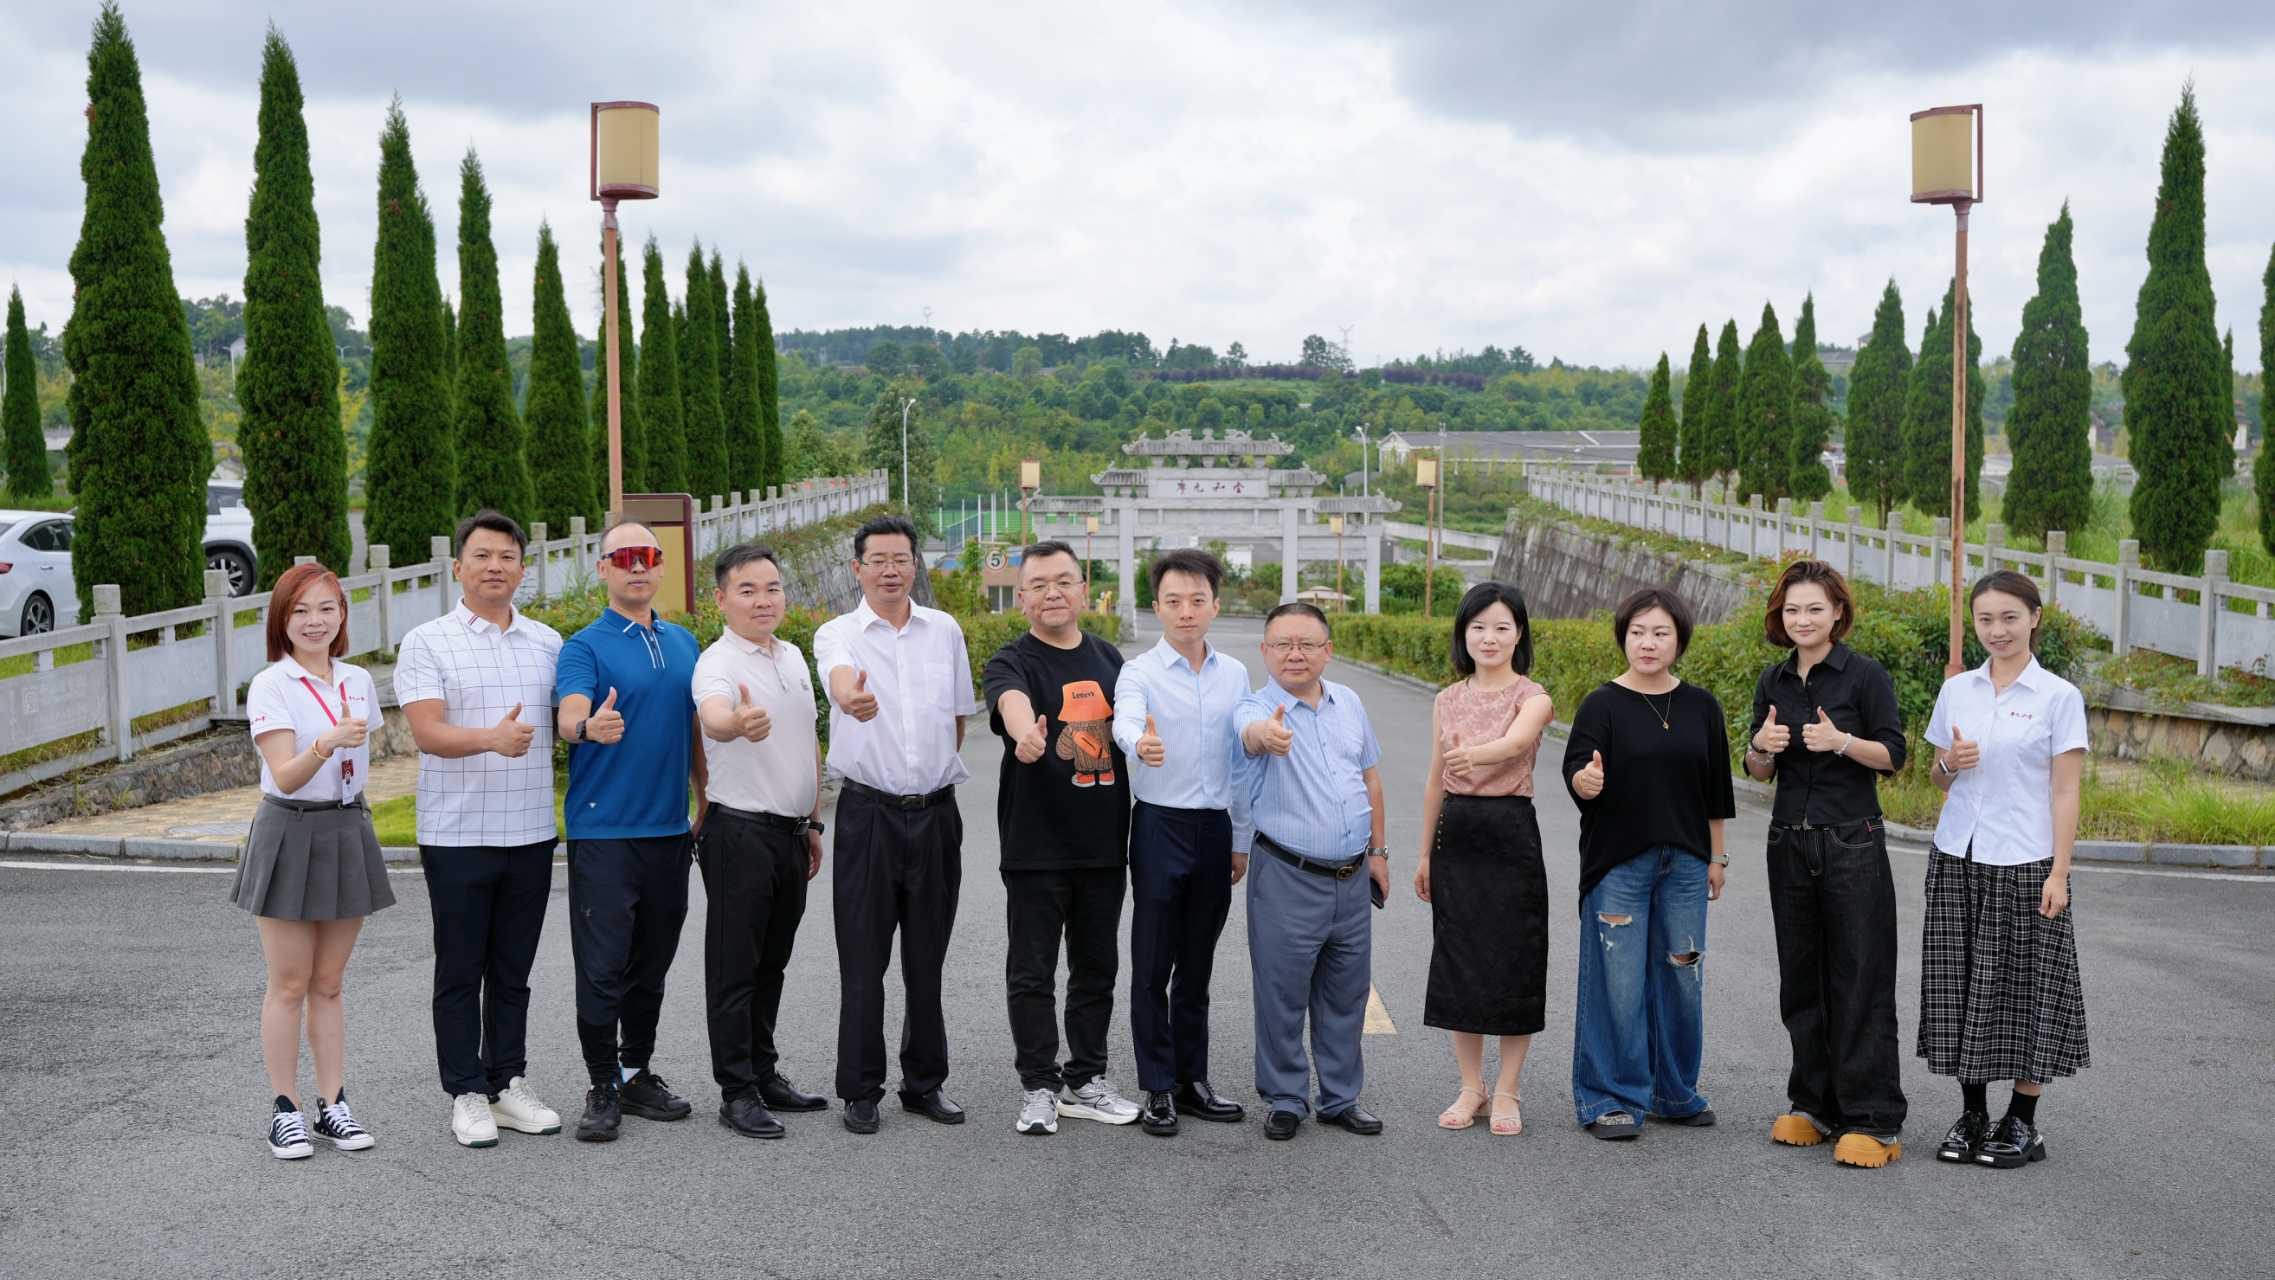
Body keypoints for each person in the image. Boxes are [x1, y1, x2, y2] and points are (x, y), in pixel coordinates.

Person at [396, 510, 566, 1149]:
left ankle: (507, 1082)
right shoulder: (427, 641)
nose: (496, 566)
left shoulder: (547, 643)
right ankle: (465, 1091)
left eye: (507, 557)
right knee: (461, 969)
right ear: (458, 566)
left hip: (530, 830)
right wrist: (492, 739)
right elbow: (427, 732)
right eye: (483, 555)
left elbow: (568, 719)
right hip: (457, 833)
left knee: (514, 970)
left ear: (523, 568)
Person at [813, 514, 982, 1135]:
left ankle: (924, 1083)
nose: (890, 570)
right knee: (863, 961)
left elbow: (958, 718)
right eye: (877, 560)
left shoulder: (945, 630)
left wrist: (928, 777)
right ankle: (860, 1089)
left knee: (926, 958)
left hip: (936, 814)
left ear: (915, 565)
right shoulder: (838, 634)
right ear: (856, 568)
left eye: (901, 559)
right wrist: (849, 698)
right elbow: (838, 678)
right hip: (868, 815)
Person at [1919, 570, 2090, 1170]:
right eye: (1986, 619)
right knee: (1961, 987)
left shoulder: (2058, 697)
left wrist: (2060, 873)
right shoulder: (1957, 690)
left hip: (2027, 861)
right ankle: (1972, 1114)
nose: (1998, 630)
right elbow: (1937, 776)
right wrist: (1949, 763)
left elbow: (2065, 791)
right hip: (1957, 855)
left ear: (2034, 618)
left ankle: (2022, 1121)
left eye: (2010, 617)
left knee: (2029, 989)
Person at [1741, 559, 1909, 1167]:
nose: (1803, 619)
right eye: (1792, 610)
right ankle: (1813, 1104)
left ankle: (1873, 1118)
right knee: (1801, 980)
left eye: (1814, 608)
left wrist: (1841, 743)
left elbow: (1894, 755)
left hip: (1851, 841)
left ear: (1837, 612)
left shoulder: (1865, 675)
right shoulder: (1774, 679)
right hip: (1789, 840)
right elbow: (1757, 769)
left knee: (1860, 977)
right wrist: (1761, 747)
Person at [231, 561, 394, 1159]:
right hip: (289, 830)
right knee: (289, 983)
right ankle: (285, 1110)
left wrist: (340, 750)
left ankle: (333, 1105)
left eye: (327, 608)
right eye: (300, 610)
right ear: (282, 619)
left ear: (342, 615)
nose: (314, 621)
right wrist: (326, 742)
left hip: (347, 827)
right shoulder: (271, 684)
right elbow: (285, 775)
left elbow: (361, 760)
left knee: (329, 983)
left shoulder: (358, 680)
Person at [1561, 587, 1733, 1142]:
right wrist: (1585, 781)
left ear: (1679, 640)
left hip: (1685, 864)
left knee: (1683, 976)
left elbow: (1716, 789)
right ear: (1623, 638)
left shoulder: (1702, 706)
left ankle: (1674, 1092)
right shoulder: (1601, 704)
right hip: (1619, 863)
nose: (1648, 643)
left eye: (1660, 633)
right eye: (1637, 632)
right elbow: (1576, 770)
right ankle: (1609, 1098)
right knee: (1617, 983)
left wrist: (1716, 856)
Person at [553, 521, 706, 1143]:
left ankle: (635, 1072)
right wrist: (586, 728)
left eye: (647, 556)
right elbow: (568, 713)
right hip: (605, 832)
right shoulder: (584, 646)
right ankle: (601, 1084)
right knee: (602, 967)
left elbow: (694, 727)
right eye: (623, 558)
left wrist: (704, 797)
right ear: (603, 569)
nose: (637, 567)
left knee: (652, 963)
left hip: (670, 830)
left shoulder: (685, 642)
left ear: (661, 565)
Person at [983, 541, 1140, 1136]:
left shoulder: (1110, 659)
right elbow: (1012, 702)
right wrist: (1026, 734)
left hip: (1103, 844)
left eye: (1064, 581)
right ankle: (1039, 1086)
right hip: (1035, 846)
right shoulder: (1011, 659)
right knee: (1032, 971)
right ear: (1022, 597)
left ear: (1083, 590)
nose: (1053, 593)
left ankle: (1086, 1079)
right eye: (1039, 584)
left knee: (1096, 968)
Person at [1232, 602, 1389, 1141]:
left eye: (1307, 644)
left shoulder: (1349, 702)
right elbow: (1251, 734)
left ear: (1328, 650)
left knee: (1346, 993)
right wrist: (1266, 737)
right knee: (1281, 994)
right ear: (1265, 651)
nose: (1294, 654)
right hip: (1287, 875)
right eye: (1283, 644)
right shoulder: (1256, 707)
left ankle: (1341, 1098)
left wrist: (1378, 853)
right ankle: (1285, 1097)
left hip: (1351, 876)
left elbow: (1370, 779)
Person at [691, 543, 829, 1139]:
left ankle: (764, 1072)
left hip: (791, 834)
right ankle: (736, 1090)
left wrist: (814, 820)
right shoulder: (716, 663)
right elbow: (714, 716)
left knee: (772, 962)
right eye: (747, 590)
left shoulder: (792, 655)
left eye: (772, 587)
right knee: (734, 968)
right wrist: (736, 724)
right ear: (721, 599)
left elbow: (807, 740)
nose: (763, 600)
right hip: (739, 834)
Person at [1111, 549, 1250, 1136]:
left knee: (1197, 964)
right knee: (1152, 962)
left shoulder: (1235, 673)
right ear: (1157, 607)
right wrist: (1137, 744)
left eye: (1197, 600)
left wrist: (1240, 837)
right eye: (1174, 601)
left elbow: (1241, 761)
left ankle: (1193, 1081)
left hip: (1215, 828)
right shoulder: (1139, 672)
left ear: (1215, 605)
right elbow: (1125, 719)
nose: (1186, 611)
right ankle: (1158, 1086)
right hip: (1159, 825)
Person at [1415, 582, 1553, 1138]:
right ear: (1463, 634)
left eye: (1501, 627)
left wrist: (1470, 755)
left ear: (1519, 634)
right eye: (1478, 627)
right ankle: (1471, 1086)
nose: (1489, 637)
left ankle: (1508, 1089)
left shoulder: (1533, 696)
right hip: (1457, 835)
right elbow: (1435, 779)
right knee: (1460, 959)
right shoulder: (1446, 699)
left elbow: (1516, 744)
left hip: (1511, 833)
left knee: (1517, 960)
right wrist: (1424, 852)